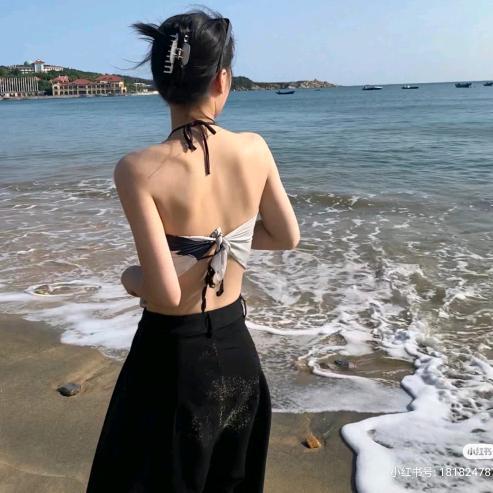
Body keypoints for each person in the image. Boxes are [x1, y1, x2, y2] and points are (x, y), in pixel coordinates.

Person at [86, 7, 300, 493]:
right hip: (238, 352)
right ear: (222, 80)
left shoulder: (137, 169)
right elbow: (286, 236)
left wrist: (128, 277)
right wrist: (224, 242)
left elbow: (162, 292)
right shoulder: (255, 148)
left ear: (161, 85)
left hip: (172, 362)